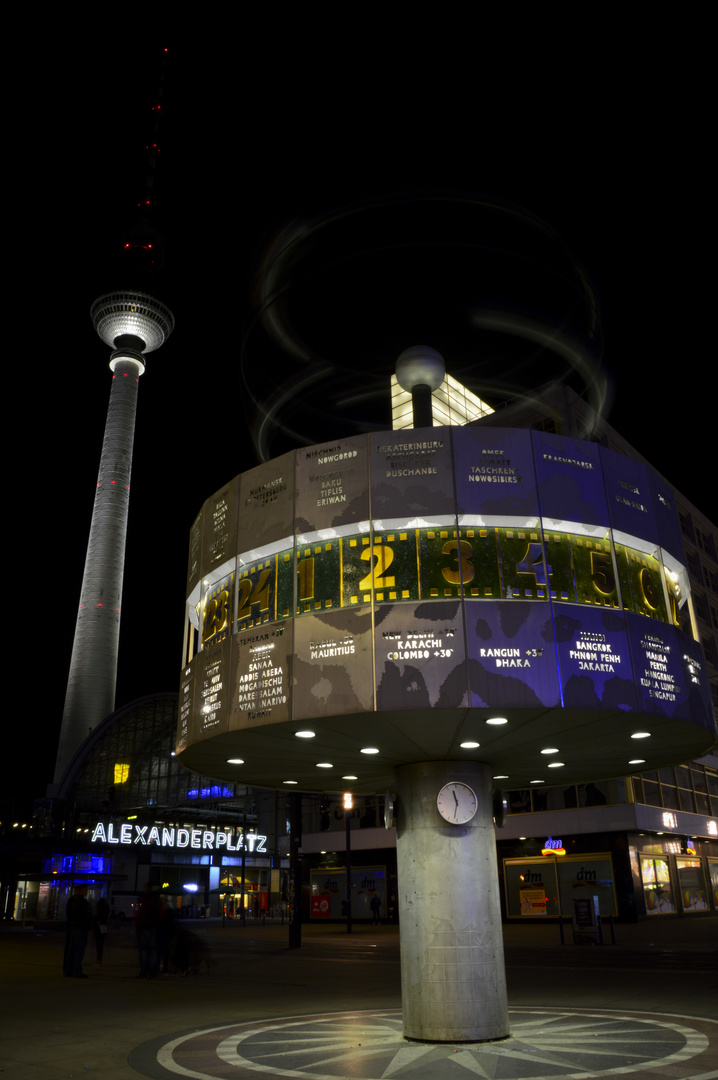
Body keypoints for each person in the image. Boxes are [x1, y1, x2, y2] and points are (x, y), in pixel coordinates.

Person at [64, 884, 91, 977]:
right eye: (85, 890)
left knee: (71, 950)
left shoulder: (71, 900)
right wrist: (87, 928)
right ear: (81, 890)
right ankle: (77, 971)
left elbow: (68, 914)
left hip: (72, 928)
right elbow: (85, 917)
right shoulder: (83, 902)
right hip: (80, 929)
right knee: (79, 951)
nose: (86, 892)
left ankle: (68, 970)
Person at [134, 885, 161, 978]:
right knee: (151, 951)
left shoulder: (143, 901)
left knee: (144, 951)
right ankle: (152, 972)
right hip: (152, 927)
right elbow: (160, 913)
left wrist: (137, 925)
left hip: (144, 928)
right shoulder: (156, 901)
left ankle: (145, 971)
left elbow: (137, 913)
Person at [93, 896, 110, 966]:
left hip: (98, 928)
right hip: (104, 928)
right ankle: (100, 960)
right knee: (101, 945)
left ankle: (98, 960)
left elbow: (96, 919)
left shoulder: (99, 910)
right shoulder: (106, 909)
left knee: (98, 945)